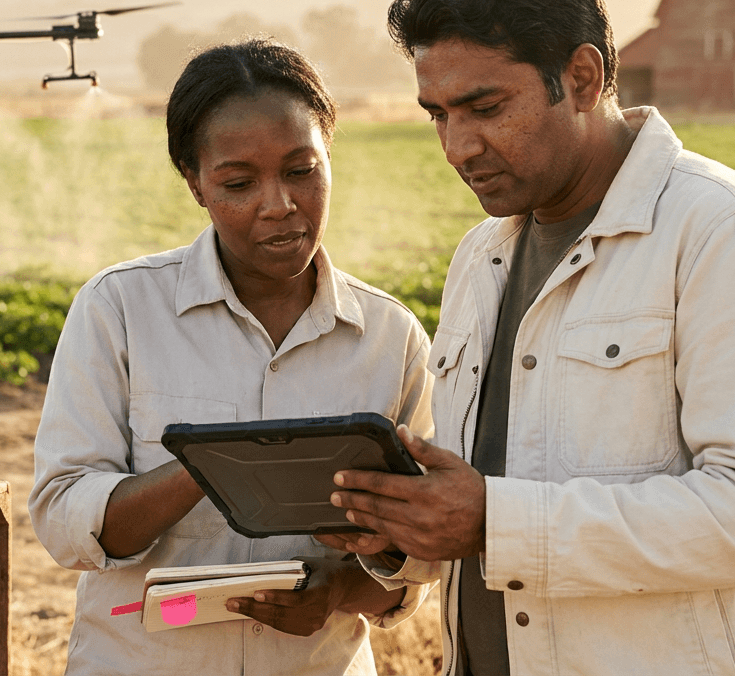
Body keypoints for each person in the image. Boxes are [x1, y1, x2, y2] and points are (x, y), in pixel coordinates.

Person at [319, 0, 735, 676]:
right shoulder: (482, 257)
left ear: (585, 78)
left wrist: (497, 521)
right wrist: (402, 532)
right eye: (438, 114)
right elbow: (480, 492)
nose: (458, 146)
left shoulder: (727, 235)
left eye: (485, 107)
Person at [29, 37, 436, 675]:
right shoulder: (121, 310)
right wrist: (213, 462)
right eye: (239, 183)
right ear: (194, 182)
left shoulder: (390, 337)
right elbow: (63, 518)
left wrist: (337, 593)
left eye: (302, 170)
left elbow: (422, 557)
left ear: (329, 155)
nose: (279, 205)